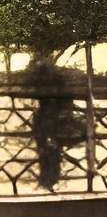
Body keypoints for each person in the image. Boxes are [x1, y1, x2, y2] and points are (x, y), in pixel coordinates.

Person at [29, 64, 81, 192]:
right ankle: (49, 179)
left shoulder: (48, 83)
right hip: (48, 121)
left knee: (48, 149)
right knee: (49, 149)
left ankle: (48, 179)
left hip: (50, 121)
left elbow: (65, 103)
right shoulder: (56, 83)